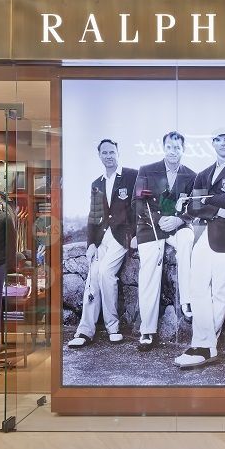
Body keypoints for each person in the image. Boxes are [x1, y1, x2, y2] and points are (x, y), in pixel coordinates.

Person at [173, 128, 225, 368]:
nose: (222, 143)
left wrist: (205, 201)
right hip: (204, 236)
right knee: (197, 288)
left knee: (219, 294)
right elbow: (192, 208)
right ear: (213, 144)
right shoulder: (203, 174)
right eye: (218, 140)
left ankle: (204, 347)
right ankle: (204, 345)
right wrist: (218, 209)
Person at [68, 139, 138, 348]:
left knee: (106, 273)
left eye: (111, 152)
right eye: (104, 153)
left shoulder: (132, 176)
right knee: (93, 276)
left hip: (122, 237)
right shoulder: (96, 183)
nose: (108, 156)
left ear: (118, 153)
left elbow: (139, 208)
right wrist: (91, 243)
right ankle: (85, 331)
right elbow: (93, 216)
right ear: (99, 156)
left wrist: (136, 234)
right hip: (101, 239)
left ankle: (113, 327)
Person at [133, 131, 196, 352]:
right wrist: (159, 219)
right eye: (169, 147)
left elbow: (195, 207)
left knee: (188, 238)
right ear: (163, 148)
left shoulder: (192, 175)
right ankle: (147, 331)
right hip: (150, 227)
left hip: (177, 227)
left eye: (177, 147)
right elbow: (138, 202)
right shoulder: (146, 170)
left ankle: (186, 302)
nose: (173, 151)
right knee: (149, 270)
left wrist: (179, 220)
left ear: (183, 150)